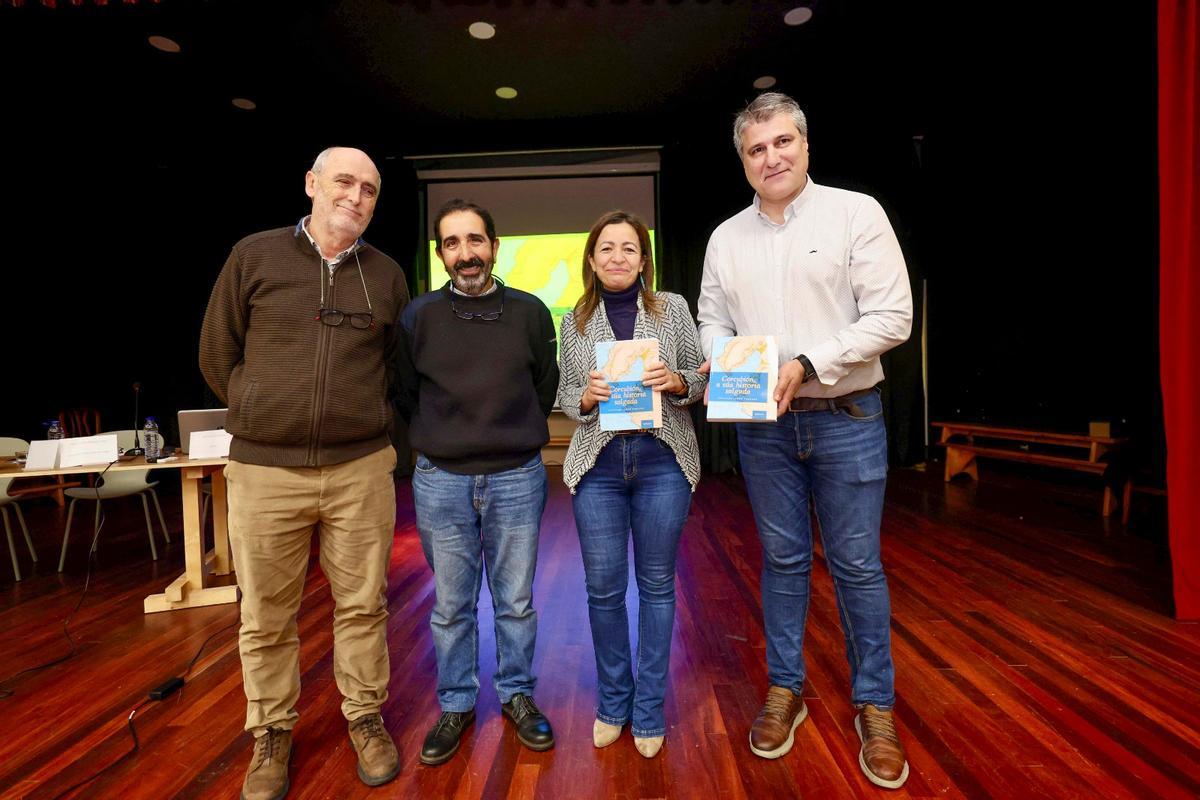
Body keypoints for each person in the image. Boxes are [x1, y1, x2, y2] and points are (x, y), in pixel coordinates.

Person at [697, 92, 914, 789]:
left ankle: (874, 706)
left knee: (856, 568)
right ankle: (785, 689)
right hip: (764, 431)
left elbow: (893, 317)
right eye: (757, 149)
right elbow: (710, 319)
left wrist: (806, 365)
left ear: (806, 146)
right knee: (784, 563)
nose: (772, 157)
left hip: (846, 416)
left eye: (783, 142)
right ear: (743, 161)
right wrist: (723, 358)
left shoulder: (857, 213)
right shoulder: (725, 238)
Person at [200, 147, 409, 800]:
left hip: (360, 470)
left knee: (363, 605)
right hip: (264, 471)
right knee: (265, 615)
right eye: (344, 181)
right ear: (312, 184)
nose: (356, 196)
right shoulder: (253, 256)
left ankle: (365, 716)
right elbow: (217, 350)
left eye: (369, 189)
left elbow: (396, 367)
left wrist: (372, 423)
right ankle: (271, 732)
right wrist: (257, 405)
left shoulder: (389, 274)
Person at [392, 199, 560, 766]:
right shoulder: (418, 317)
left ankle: (517, 696)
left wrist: (507, 435)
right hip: (441, 481)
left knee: (515, 603)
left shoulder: (532, 312)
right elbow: (406, 393)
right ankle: (458, 703)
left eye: (475, 240)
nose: (466, 254)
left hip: (517, 477)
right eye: (452, 244)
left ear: (494, 244)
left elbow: (544, 385)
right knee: (450, 606)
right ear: (441, 254)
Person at [556, 211, 706, 759]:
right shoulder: (574, 320)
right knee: (603, 591)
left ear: (644, 259)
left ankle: (648, 710)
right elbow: (567, 397)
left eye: (629, 249)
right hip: (597, 466)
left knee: (659, 587)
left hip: (663, 462)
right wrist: (588, 397)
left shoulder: (672, 309)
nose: (617, 257)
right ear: (591, 260)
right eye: (606, 249)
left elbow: (698, 379)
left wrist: (678, 381)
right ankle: (613, 703)